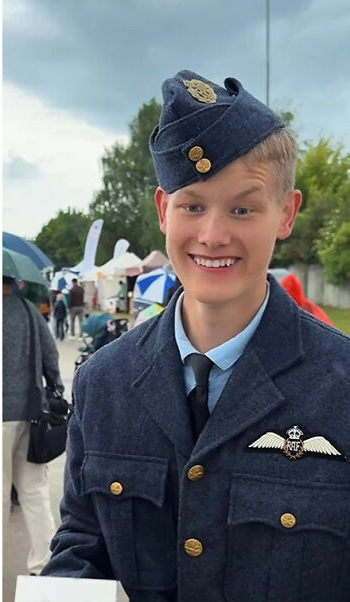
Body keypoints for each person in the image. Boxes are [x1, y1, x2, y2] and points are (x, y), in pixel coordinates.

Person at [43, 70, 350, 601]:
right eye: (192, 205)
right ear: (164, 211)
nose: (212, 235)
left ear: (287, 214)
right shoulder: (102, 384)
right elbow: (83, 545)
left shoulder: (340, 385)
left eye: (242, 208)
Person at [2, 276, 63, 576]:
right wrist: (56, 389)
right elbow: (50, 356)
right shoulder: (27, 311)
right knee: (34, 490)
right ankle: (45, 565)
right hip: (31, 412)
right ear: (17, 282)